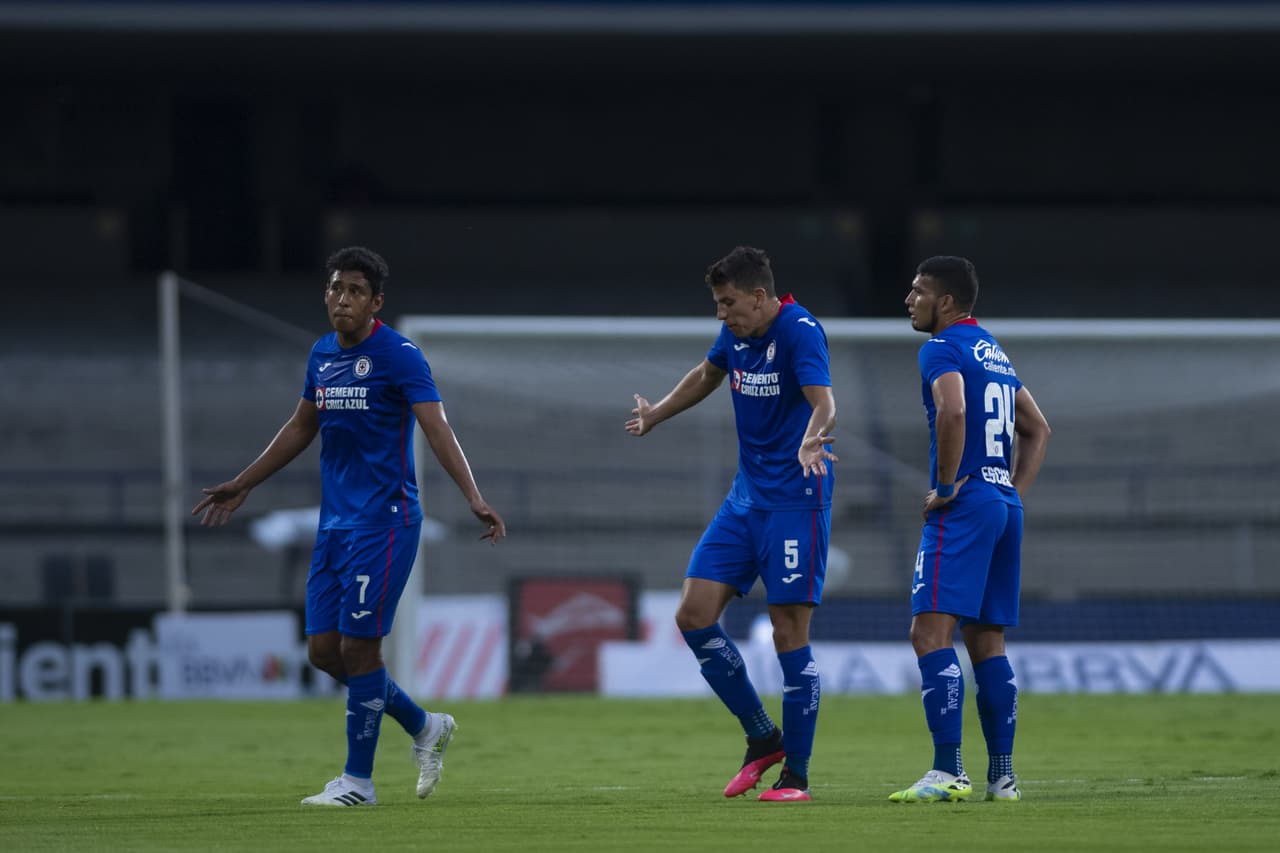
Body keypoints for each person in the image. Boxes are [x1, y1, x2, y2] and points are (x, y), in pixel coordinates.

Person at [192, 246, 505, 807]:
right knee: (322, 652)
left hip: (384, 524)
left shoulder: (400, 355)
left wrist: (473, 496)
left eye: (355, 290)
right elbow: (300, 426)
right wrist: (244, 482)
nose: (342, 298)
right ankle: (426, 727)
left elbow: (437, 428)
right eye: (335, 288)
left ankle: (358, 783)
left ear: (375, 302)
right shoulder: (321, 355)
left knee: (360, 652)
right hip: (334, 525)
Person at [626, 246, 837, 802]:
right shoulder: (738, 336)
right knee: (693, 616)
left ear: (760, 297)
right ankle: (762, 736)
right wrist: (656, 414)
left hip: (796, 502)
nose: (723, 314)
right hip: (744, 502)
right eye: (718, 304)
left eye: (729, 303)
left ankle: (797, 775)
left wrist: (813, 436)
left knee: (790, 632)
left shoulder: (799, 331)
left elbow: (826, 403)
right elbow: (706, 373)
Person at [890, 255, 1050, 804]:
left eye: (918, 291)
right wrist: (1010, 493)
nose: (909, 299)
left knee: (928, 633)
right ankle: (1002, 778)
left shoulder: (940, 348)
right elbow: (1039, 429)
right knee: (987, 640)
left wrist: (949, 485)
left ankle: (947, 771)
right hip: (1002, 502)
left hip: (966, 504)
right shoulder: (995, 353)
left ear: (948, 302)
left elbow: (953, 411)